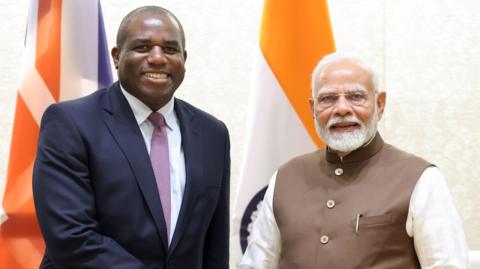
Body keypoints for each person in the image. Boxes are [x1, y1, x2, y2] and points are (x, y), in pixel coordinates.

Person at [32, 6, 230, 269]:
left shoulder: (212, 134)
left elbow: (214, 247)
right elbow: (71, 238)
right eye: (143, 47)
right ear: (117, 56)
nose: (158, 58)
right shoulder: (70, 124)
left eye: (170, 49)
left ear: (184, 58)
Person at [239, 52, 468, 268]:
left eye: (356, 97)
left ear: (380, 104)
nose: (341, 108)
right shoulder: (286, 177)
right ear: (313, 109)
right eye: (328, 99)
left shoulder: (421, 178)